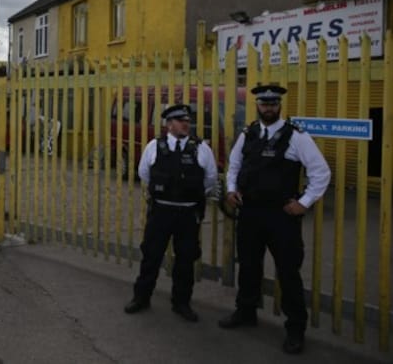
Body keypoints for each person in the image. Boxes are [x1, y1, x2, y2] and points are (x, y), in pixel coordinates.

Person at [219, 84, 330, 355]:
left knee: (288, 272)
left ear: (279, 106)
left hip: (281, 216)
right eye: (263, 103)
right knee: (248, 265)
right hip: (251, 212)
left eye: (273, 103)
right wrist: (232, 189)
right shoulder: (249, 134)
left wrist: (303, 203)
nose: (268, 107)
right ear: (257, 105)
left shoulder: (296, 137)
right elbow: (234, 165)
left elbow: (321, 172)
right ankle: (246, 311)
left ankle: (295, 328)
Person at [124, 104, 217, 322]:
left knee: (185, 259)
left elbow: (210, 179)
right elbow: (144, 173)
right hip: (161, 212)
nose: (186, 124)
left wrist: (188, 195)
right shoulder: (154, 146)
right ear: (169, 124)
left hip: (187, 214)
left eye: (187, 120)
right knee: (151, 256)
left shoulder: (202, 149)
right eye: (179, 120)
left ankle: (181, 302)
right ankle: (141, 297)